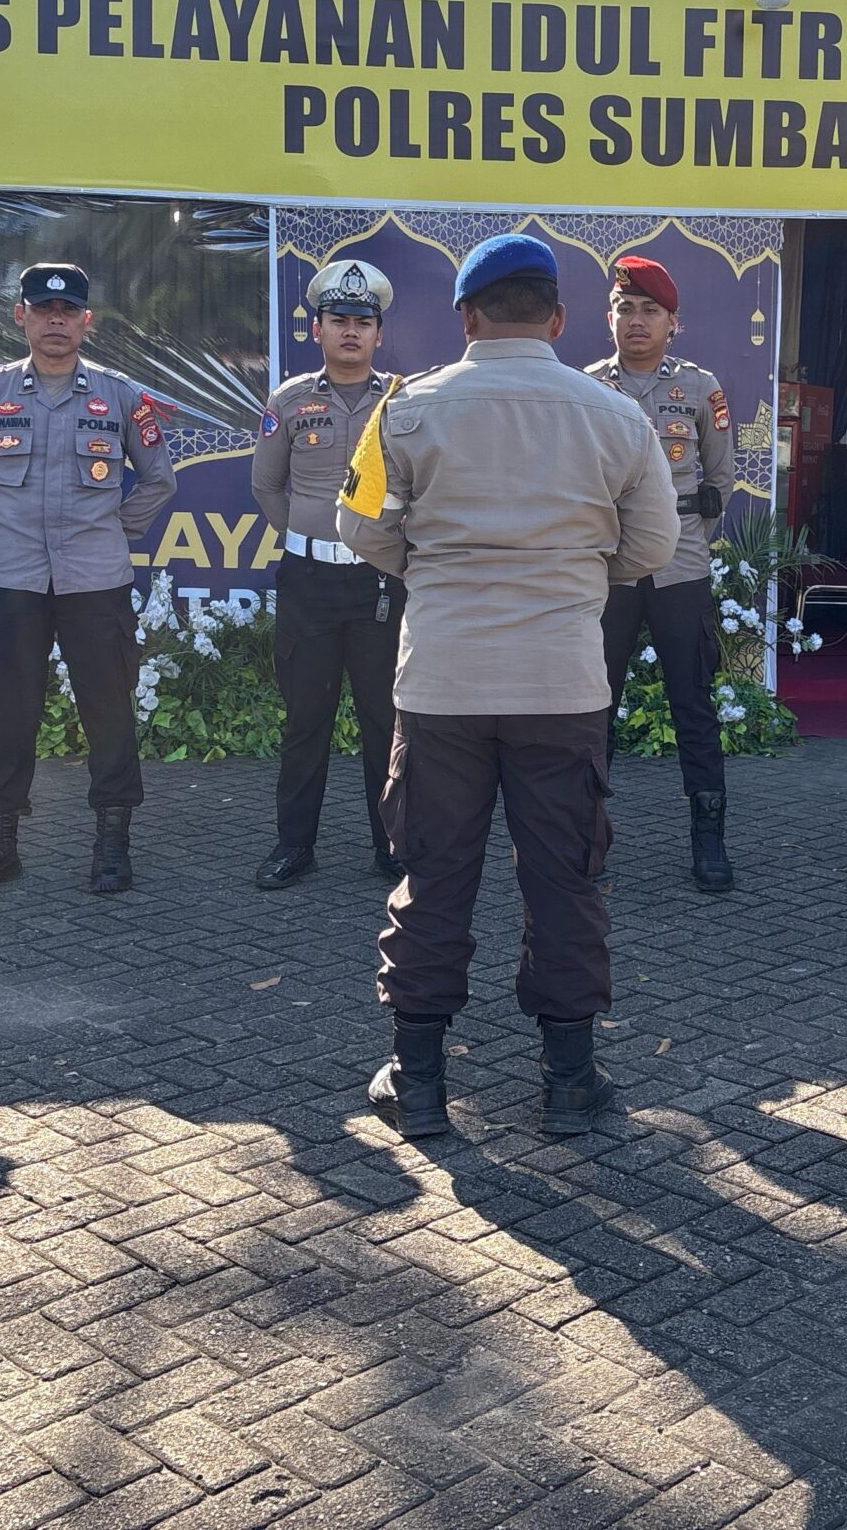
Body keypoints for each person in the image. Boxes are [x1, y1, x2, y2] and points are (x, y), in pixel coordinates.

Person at [336, 232, 676, 1140]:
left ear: (466, 316)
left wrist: (438, 573)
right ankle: (568, 1082)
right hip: (561, 684)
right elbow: (652, 546)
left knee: (433, 876)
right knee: (564, 881)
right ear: (559, 319)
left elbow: (361, 527)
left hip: (441, 684)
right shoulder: (617, 417)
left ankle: (417, 1083)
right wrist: (570, 578)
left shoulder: (405, 411)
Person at [0, 263, 176, 897]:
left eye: (67, 311)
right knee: (8, 713)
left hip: (95, 579)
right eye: (43, 309)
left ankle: (112, 845)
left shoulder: (121, 396)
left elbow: (159, 479)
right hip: (12, 578)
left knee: (109, 711)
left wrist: (111, 529)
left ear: (86, 321)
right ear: (20, 315)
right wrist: (11, 525)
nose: (55, 320)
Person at [585, 254, 738, 892]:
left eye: (651, 310)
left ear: (673, 322)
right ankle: (585, 835)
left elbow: (719, 482)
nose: (637, 320)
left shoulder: (700, 389)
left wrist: (685, 541)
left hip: (680, 568)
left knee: (693, 704)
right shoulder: (586, 387)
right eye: (625, 308)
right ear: (609, 318)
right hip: (609, 570)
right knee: (592, 705)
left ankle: (709, 838)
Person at [251, 257, 404, 889]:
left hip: (378, 583)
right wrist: (311, 537)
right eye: (338, 320)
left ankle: (392, 846)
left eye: (362, 322)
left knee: (385, 722)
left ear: (378, 334)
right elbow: (267, 486)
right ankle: (295, 846)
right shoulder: (289, 400)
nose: (350, 331)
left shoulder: (402, 401)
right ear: (317, 329)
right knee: (305, 721)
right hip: (309, 583)